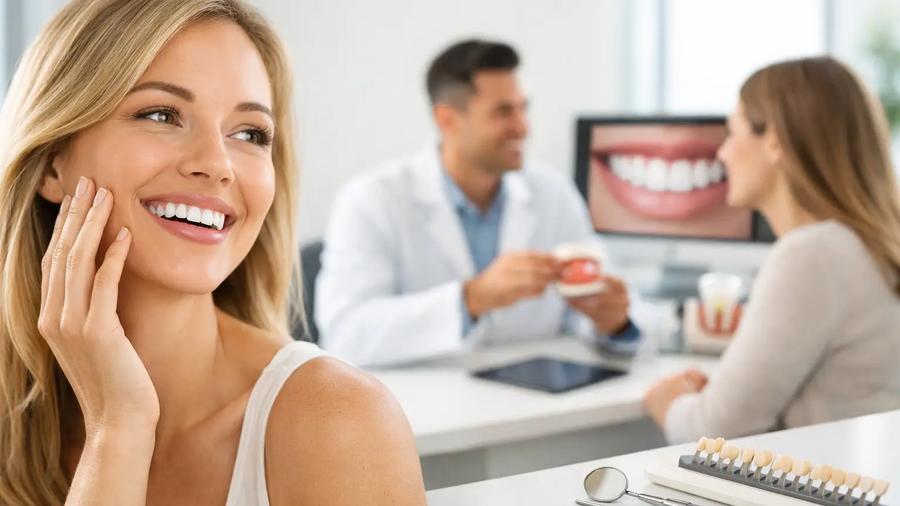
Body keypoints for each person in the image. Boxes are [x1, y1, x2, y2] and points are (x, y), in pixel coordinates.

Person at [0, 1, 426, 504]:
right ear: (52, 163)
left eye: (249, 133)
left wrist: (118, 427)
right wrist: (120, 429)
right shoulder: (12, 418)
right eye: (161, 114)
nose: (218, 165)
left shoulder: (340, 423)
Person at [316, 39, 642, 367]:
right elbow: (346, 334)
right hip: (424, 410)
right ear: (447, 120)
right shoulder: (372, 200)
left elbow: (588, 317)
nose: (523, 127)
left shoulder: (553, 194)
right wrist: (473, 298)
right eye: (503, 111)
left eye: (523, 108)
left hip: (538, 404)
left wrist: (612, 322)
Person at [643, 56, 900, 444]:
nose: (722, 153)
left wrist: (669, 402)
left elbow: (711, 431)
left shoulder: (812, 256)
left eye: (733, 133)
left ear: (775, 141)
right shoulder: (866, 244)